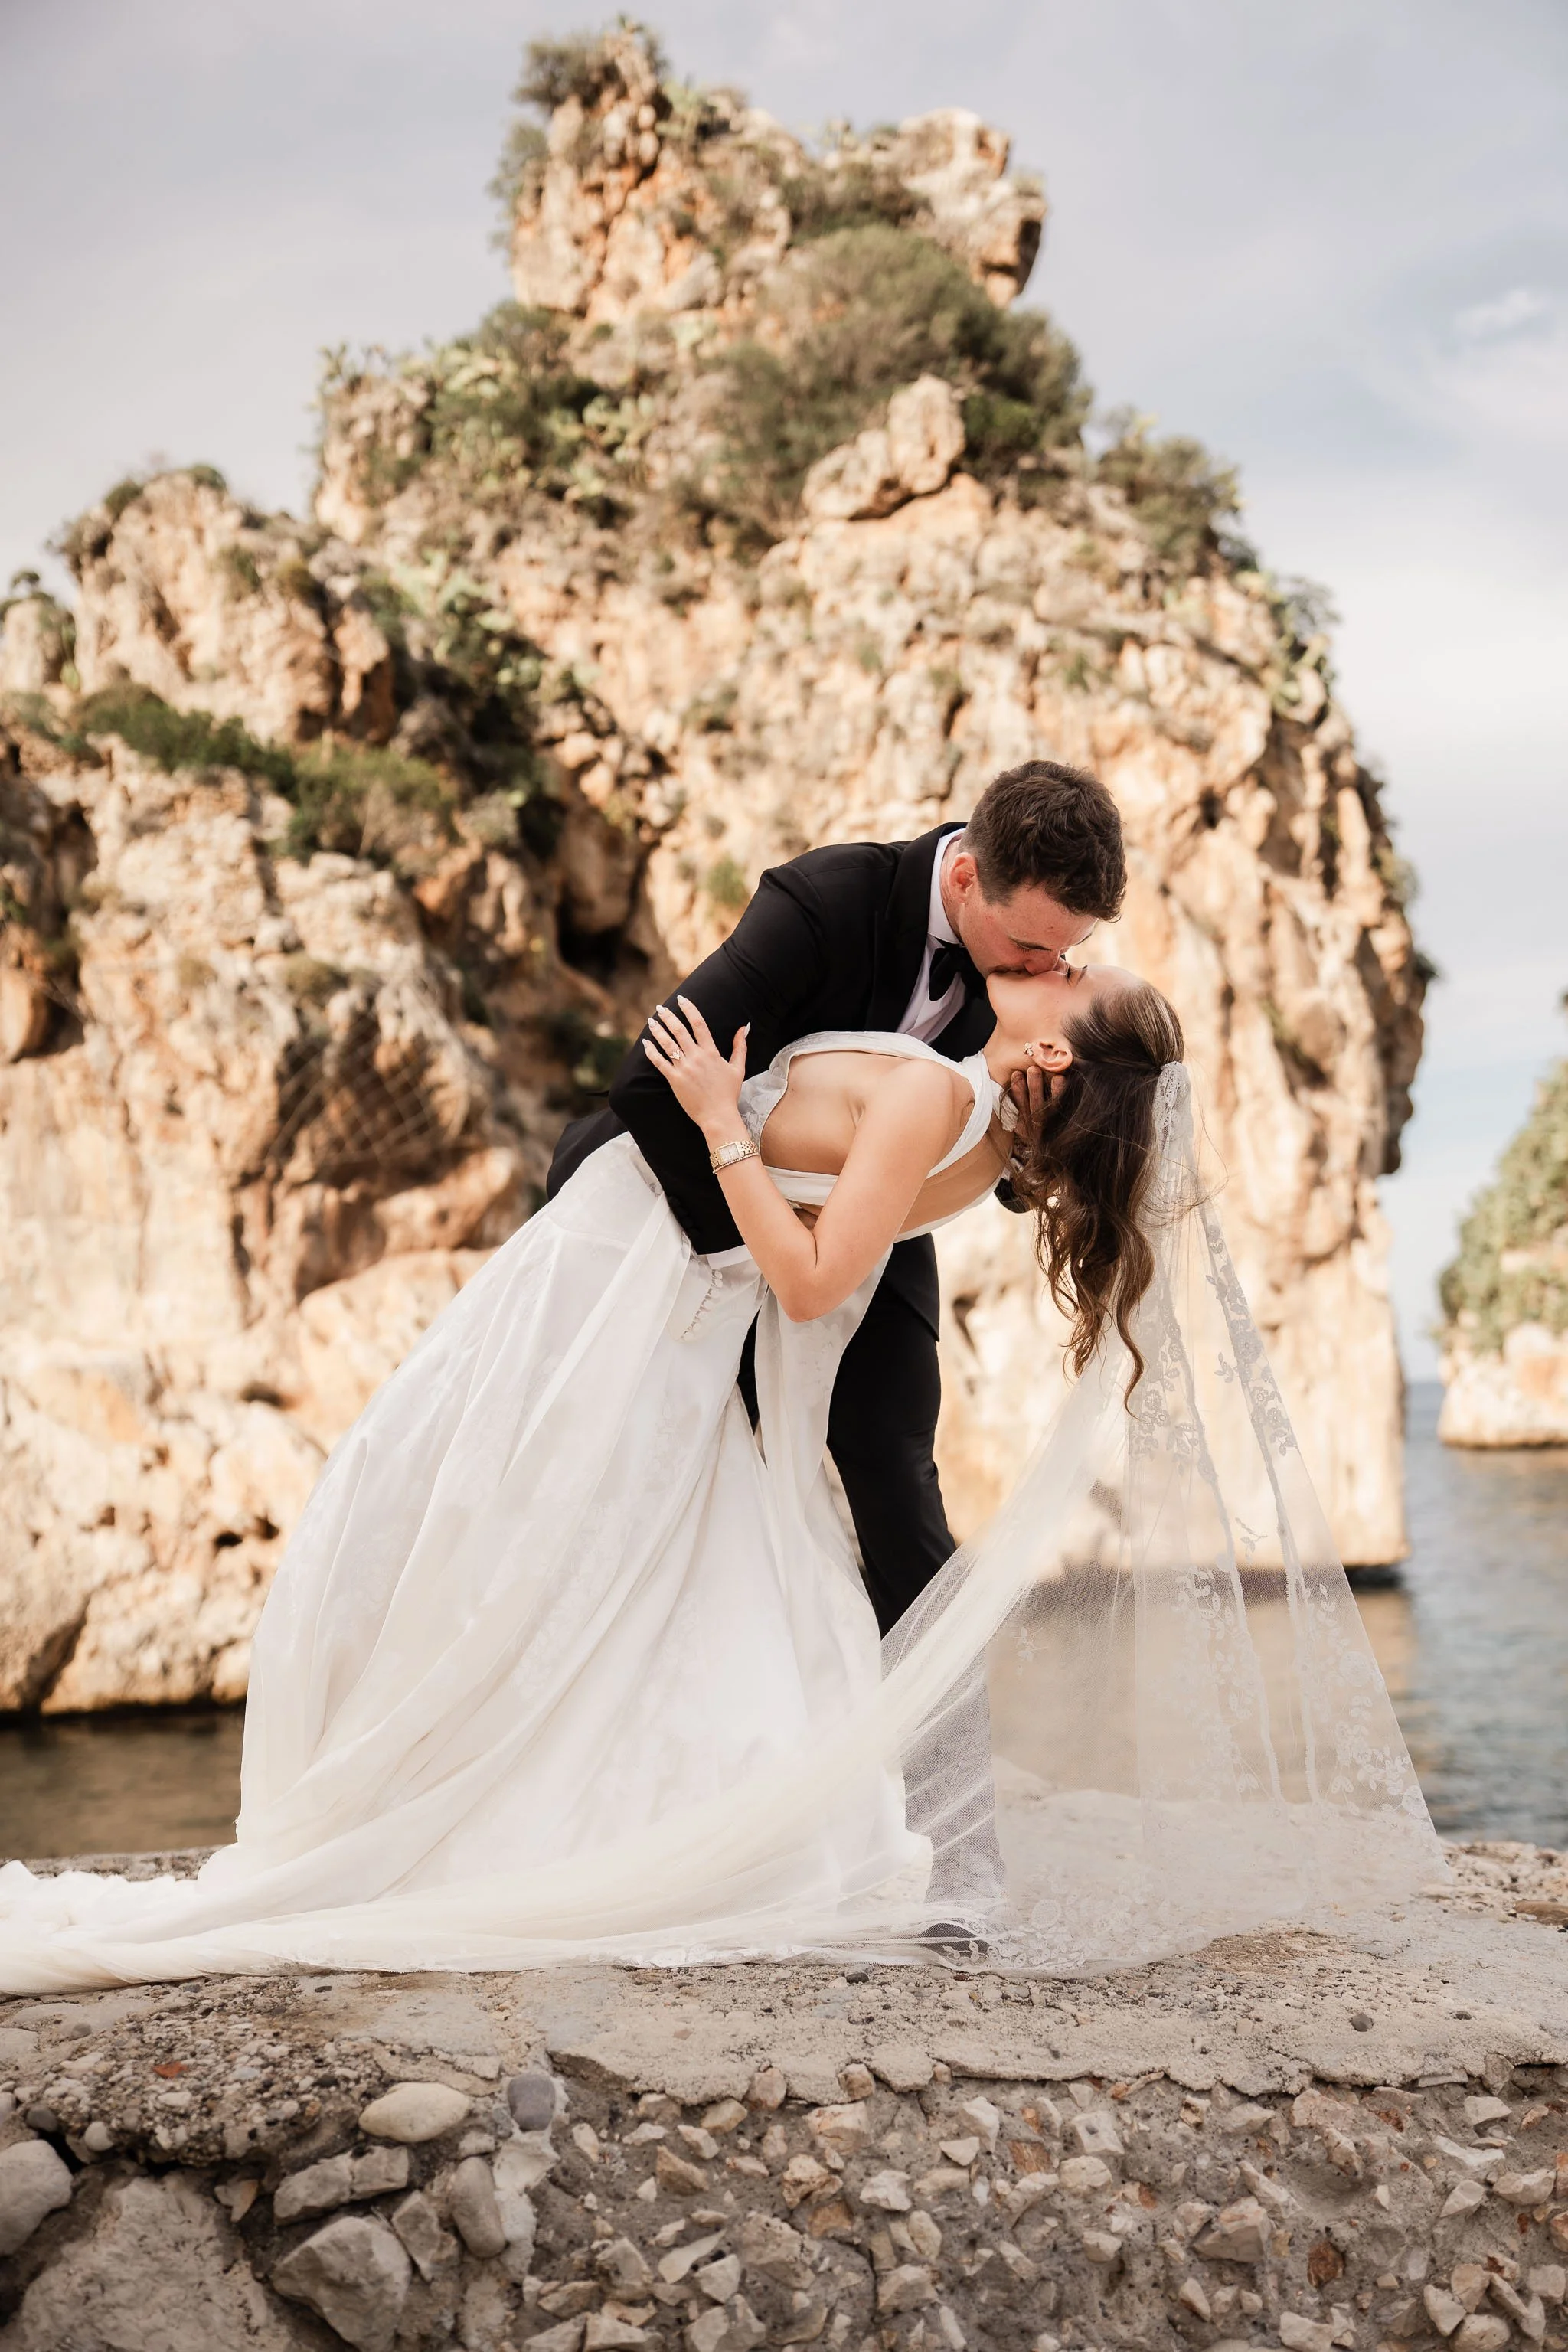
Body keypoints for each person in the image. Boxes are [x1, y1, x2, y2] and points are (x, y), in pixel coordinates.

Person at [0, 937, 1442, 1991]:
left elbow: (815, 1284)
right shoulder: (960, 1132)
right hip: (677, 1313)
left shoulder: (935, 1109)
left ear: (1056, 1050)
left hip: (646, 1284)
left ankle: (458, 1819)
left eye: (1080, 974)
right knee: (591, 1566)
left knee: (493, 1523)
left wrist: (709, 1121)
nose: (1063, 957)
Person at [549, 758, 1129, 1635]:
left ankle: (938, 1756)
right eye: (1030, 948)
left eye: (1066, 954)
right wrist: (746, 1261)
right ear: (966, 876)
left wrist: (1036, 1141)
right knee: (689, 1466)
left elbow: (980, 1157)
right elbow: (646, 1083)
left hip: (871, 1230)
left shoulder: (1024, 985)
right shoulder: (825, 902)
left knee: (896, 1467)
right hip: (682, 1205)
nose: (1048, 968)